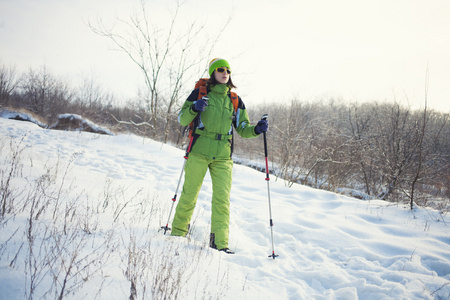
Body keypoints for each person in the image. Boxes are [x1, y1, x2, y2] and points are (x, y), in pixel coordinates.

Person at [171, 58, 268, 254]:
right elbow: (182, 118)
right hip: (198, 152)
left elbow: (243, 129)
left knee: (222, 201)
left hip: (223, 157)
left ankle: (220, 244)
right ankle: (178, 234)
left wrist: (257, 129)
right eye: (221, 69)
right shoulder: (199, 94)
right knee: (189, 195)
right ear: (213, 72)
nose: (225, 73)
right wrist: (194, 107)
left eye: (228, 70)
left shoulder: (234, 100)